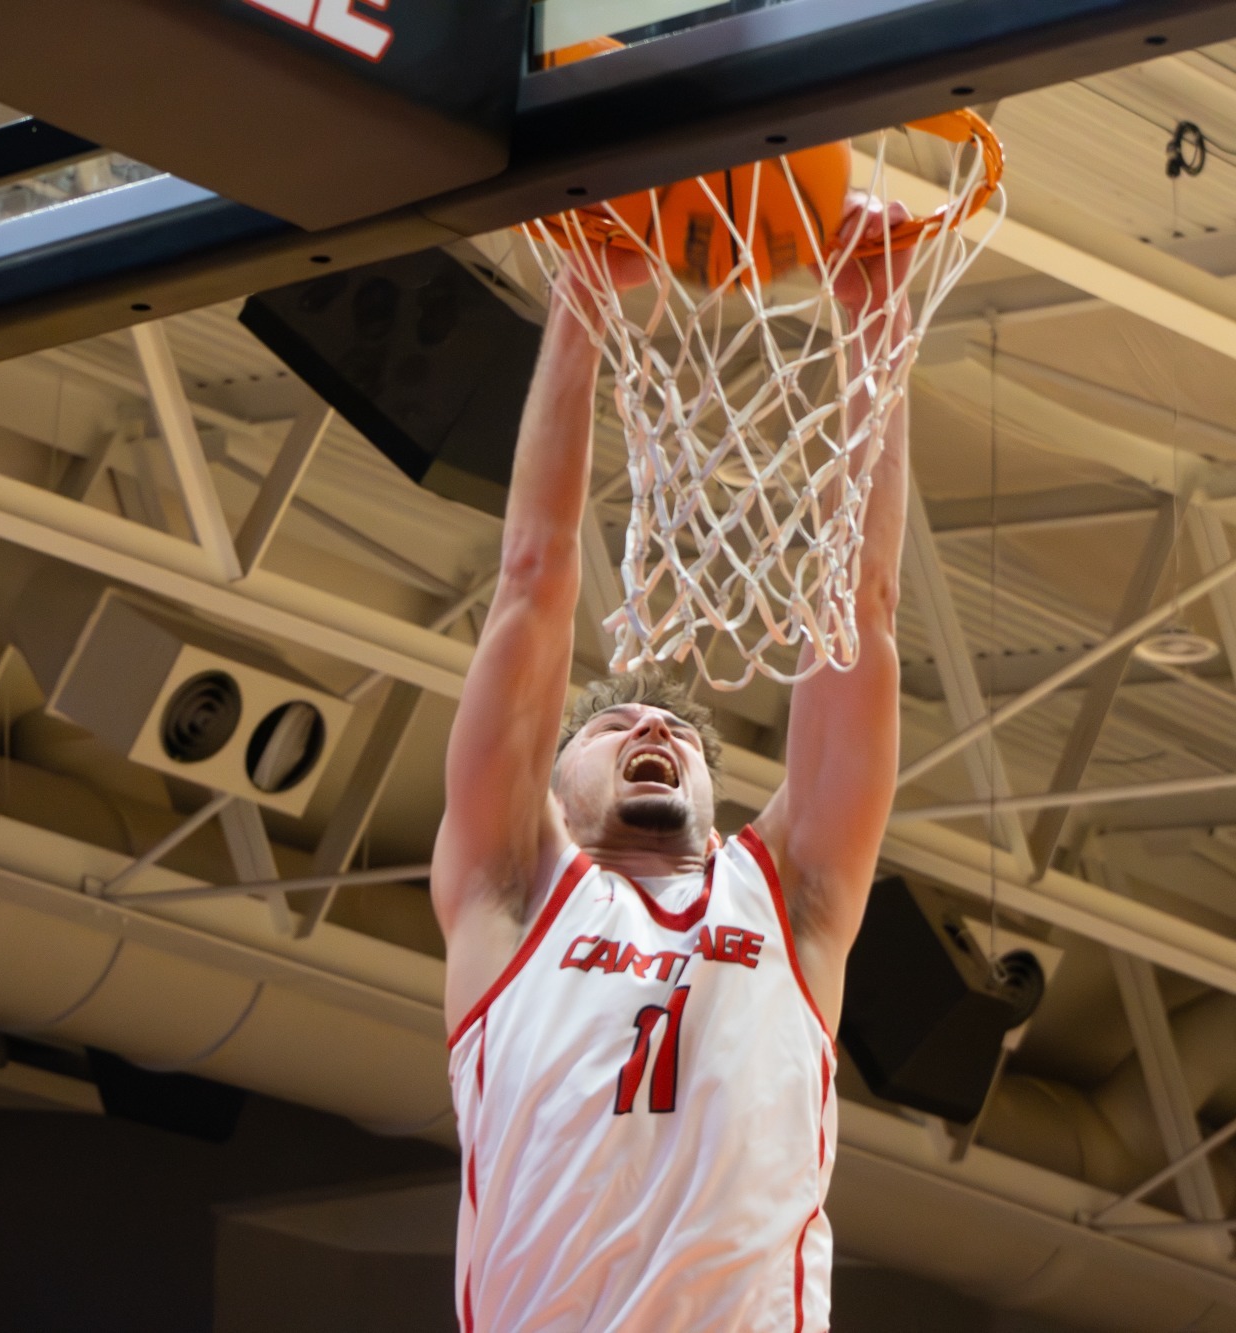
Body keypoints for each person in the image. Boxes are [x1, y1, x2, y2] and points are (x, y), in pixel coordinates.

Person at [433, 199, 914, 1332]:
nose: (661, 736)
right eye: (617, 731)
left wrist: (872, 321)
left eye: (686, 743)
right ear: (549, 791)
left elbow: (863, 611)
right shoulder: (510, 892)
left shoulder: (790, 894)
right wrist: (582, 297)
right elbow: (534, 572)